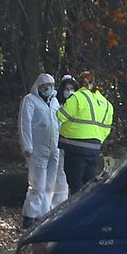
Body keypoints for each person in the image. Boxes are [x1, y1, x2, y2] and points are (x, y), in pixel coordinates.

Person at [18, 73, 63, 228]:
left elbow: (59, 123)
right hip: (37, 148)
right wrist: (27, 146)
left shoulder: (55, 102)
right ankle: (30, 215)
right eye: (45, 86)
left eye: (51, 86)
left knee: (50, 184)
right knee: (37, 184)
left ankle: (43, 215)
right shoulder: (29, 101)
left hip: (53, 148)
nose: (48, 89)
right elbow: (25, 124)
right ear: (38, 87)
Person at [57, 71, 113, 194]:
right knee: (89, 185)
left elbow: (60, 115)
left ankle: (75, 212)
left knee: (75, 186)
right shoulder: (106, 103)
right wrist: (96, 139)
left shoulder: (77, 97)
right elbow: (106, 128)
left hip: (74, 148)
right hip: (94, 149)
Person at [50, 76, 77, 208]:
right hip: (54, 144)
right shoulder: (54, 103)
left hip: (70, 144)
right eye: (67, 89)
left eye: (72, 89)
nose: (69, 91)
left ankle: (61, 204)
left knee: (64, 175)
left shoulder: (78, 105)